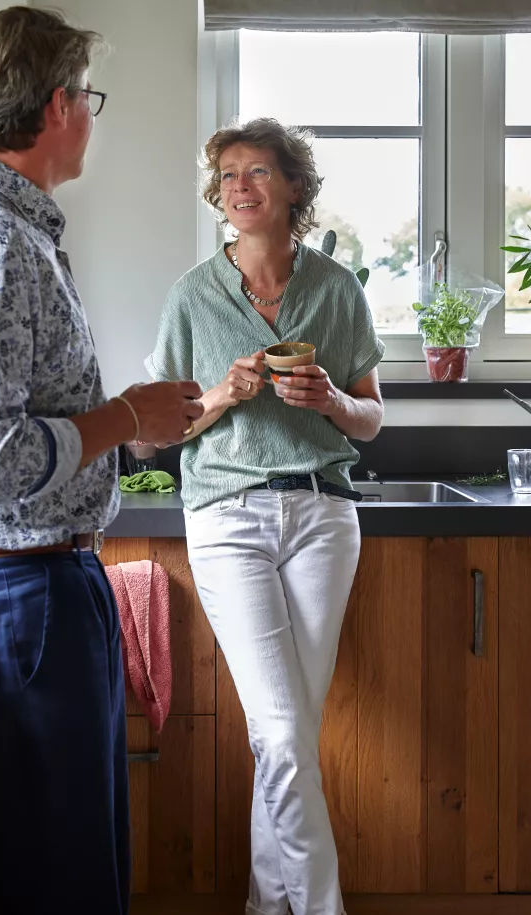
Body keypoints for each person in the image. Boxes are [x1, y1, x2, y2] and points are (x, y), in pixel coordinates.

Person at [0, 7, 204, 913]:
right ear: (58, 105)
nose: (92, 118)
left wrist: (128, 426)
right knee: (63, 882)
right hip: (23, 592)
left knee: (76, 869)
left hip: (40, 584)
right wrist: (125, 416)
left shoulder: (6, 232)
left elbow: (17, 428)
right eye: (89, 98)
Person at [134, 117, 385, 915]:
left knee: (288, 735)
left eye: (259, 172)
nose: (240, 186)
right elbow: (151, 434)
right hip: (228, 518)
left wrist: (331, 398)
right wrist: (222, 394)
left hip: (323, 517)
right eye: (229, 175)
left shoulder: (337, 290)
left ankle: (266, 904)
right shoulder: (191, 297)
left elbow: (372, 417)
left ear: (294, 188)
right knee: (280, 733)